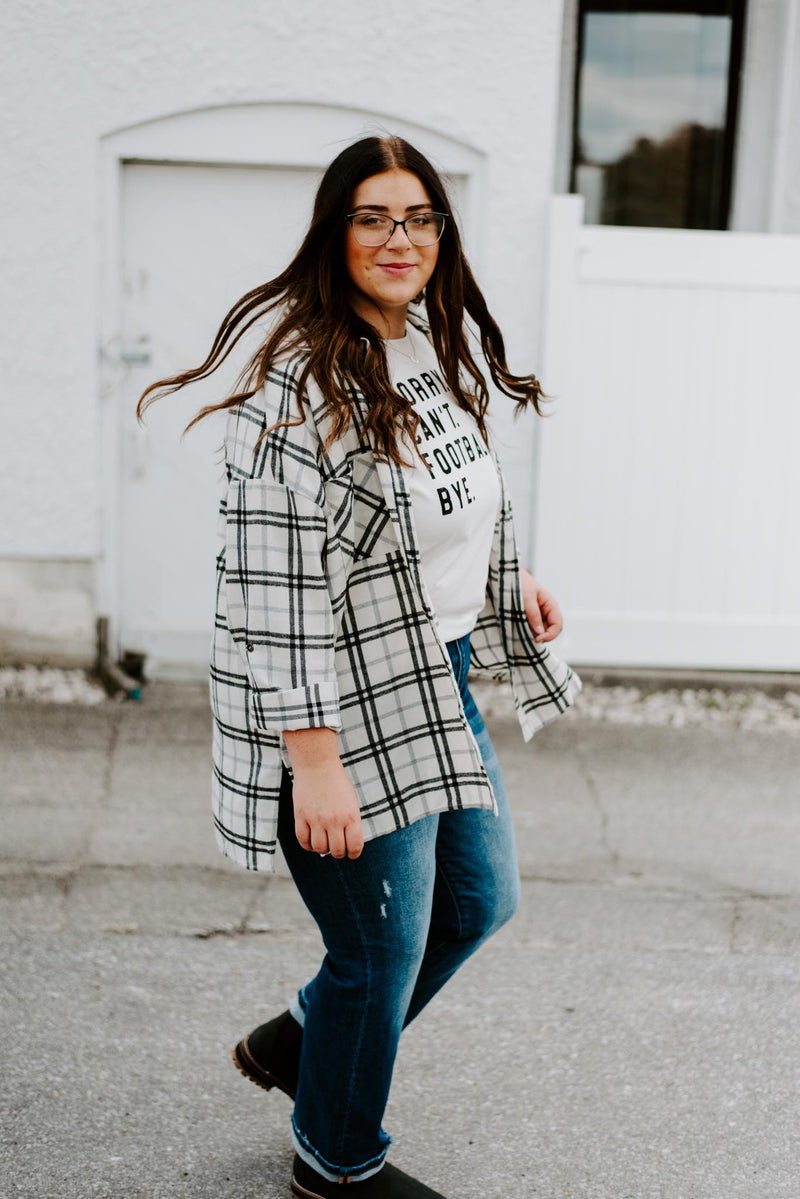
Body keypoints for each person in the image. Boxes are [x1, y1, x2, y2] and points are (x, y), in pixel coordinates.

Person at [138, 135, 581, 1199]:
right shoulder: (296, 389)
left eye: (419, 217)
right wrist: (314, 758)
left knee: (477, 901)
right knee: (379, 949)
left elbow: (449, 495)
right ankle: (334, 1161)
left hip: (438, 675)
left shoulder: (424, 343)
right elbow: (274, 588)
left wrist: (503, 577)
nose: (399, 238)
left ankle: (304, 1041)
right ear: (335, 232)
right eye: (373, 216)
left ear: (441, 234)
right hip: (344, 698)